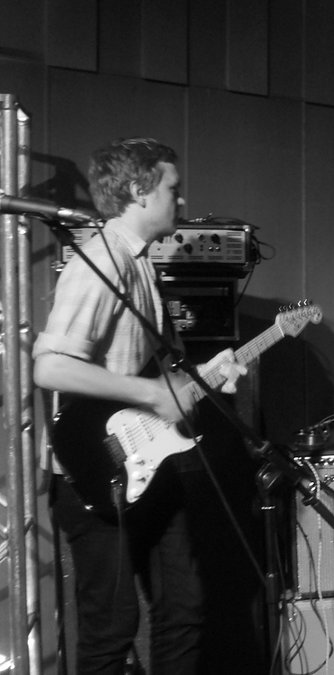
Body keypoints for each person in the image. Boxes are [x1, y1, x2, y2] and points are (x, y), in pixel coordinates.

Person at [33, 138, 243, 674]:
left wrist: (208, 375)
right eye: (173, 188)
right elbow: (50, 367)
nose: (182, 199)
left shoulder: (141, 263)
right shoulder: (100, 261)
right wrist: (152, 394)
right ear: (138, 190)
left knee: (184, 607)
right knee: (110, 630)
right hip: (95, 470)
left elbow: (154, 374)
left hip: (146, 463)